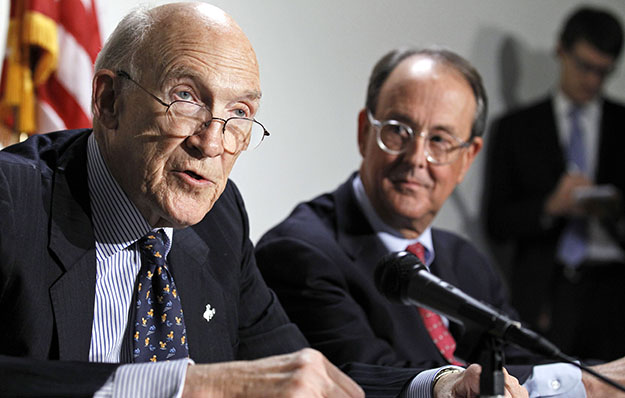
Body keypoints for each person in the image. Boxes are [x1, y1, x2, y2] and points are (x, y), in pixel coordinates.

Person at [0, 3, 529, 398]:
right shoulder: (12, 200)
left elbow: (301, 371)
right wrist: (186, 386)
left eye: (240, 114)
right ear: (109, 101)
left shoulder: (220, 219)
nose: (213, 142)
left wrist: (435, 387)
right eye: (187, 98)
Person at [255, 46, 625, 397]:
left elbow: (522, 363)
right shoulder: (300, 252)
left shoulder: (465, 260)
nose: (417, 157)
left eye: (440, 140)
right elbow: (372, 380)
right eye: (399, 130)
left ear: (467, 158)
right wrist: (584, 384)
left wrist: (596, 377)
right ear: (365, 132)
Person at [483, 6, 625, 360]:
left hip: (615, 289)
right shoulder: (516, 128)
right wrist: (550, 206)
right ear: (561, 50)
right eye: (584, 66)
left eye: (603, 72)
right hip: (547, 291)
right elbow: (496, 221)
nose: (592, 80)